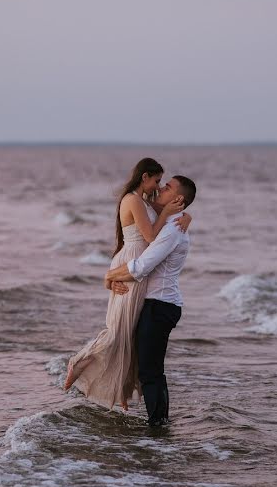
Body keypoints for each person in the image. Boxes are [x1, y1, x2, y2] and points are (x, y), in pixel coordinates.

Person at [64, 158, 190, 411]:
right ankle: (77, 362)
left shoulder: (145, 201)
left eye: (163, 184)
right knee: (117, 330)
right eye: (157, 180)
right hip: (132, 264)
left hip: (139, 269)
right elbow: (151, 236)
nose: (160, 186)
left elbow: (171, 209)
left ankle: (122, 389)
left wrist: (186, 215)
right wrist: (110, 276)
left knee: (130, 336)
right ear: (144, 177)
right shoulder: (132, 199)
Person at [104, 175, 197, 426]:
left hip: (160, 306)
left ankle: (158, 427)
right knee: (150, 368)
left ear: (178, 199)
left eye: (167, 187)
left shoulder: (172, 229)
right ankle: (160, 423)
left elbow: (143, 266)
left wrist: (110, 275)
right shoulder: (169, 220)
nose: (160, 188)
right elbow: (144, 204)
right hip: (156, 304)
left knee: (150, 372)